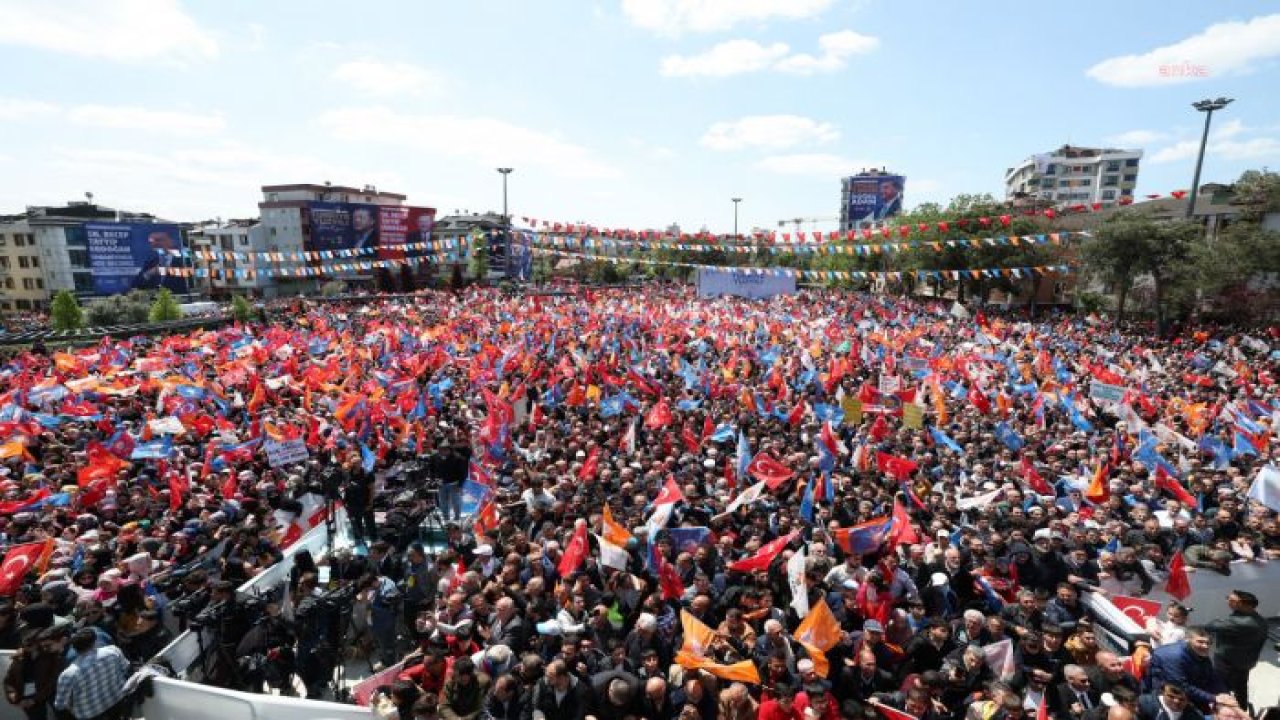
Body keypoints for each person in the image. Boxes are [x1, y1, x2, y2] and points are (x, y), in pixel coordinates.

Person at [1203, 590, 1266, 710]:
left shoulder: (1241, 623)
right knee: (1241, 689)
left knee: (1220, 689)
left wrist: (1217, 621)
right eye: (1228, 598)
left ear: (1246, 605)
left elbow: (1211, 626)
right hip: (1245, 662)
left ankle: (1223, 712)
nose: (1228, 602)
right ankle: (1242, 710)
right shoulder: (1258, 618)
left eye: (1232, 600)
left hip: (1228, 664)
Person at [1143, 628, 1229, 715]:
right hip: (1167, 695)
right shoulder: (1174, 656)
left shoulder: (1200, 654)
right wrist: (1213, 698)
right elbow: (1181, 686)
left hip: (1190, 692)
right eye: (1200, 642)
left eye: (1208, 643)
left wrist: (1225, 696)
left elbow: (1212, 677)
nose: (1205, 646)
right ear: (1187, 640)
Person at [52, 628, 129, 720]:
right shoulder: (114, 651)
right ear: (94, 642)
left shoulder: (68, 674)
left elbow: (60, 705)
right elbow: (125, 668)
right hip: (117, 702)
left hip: (90, 715)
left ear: (74, 648)